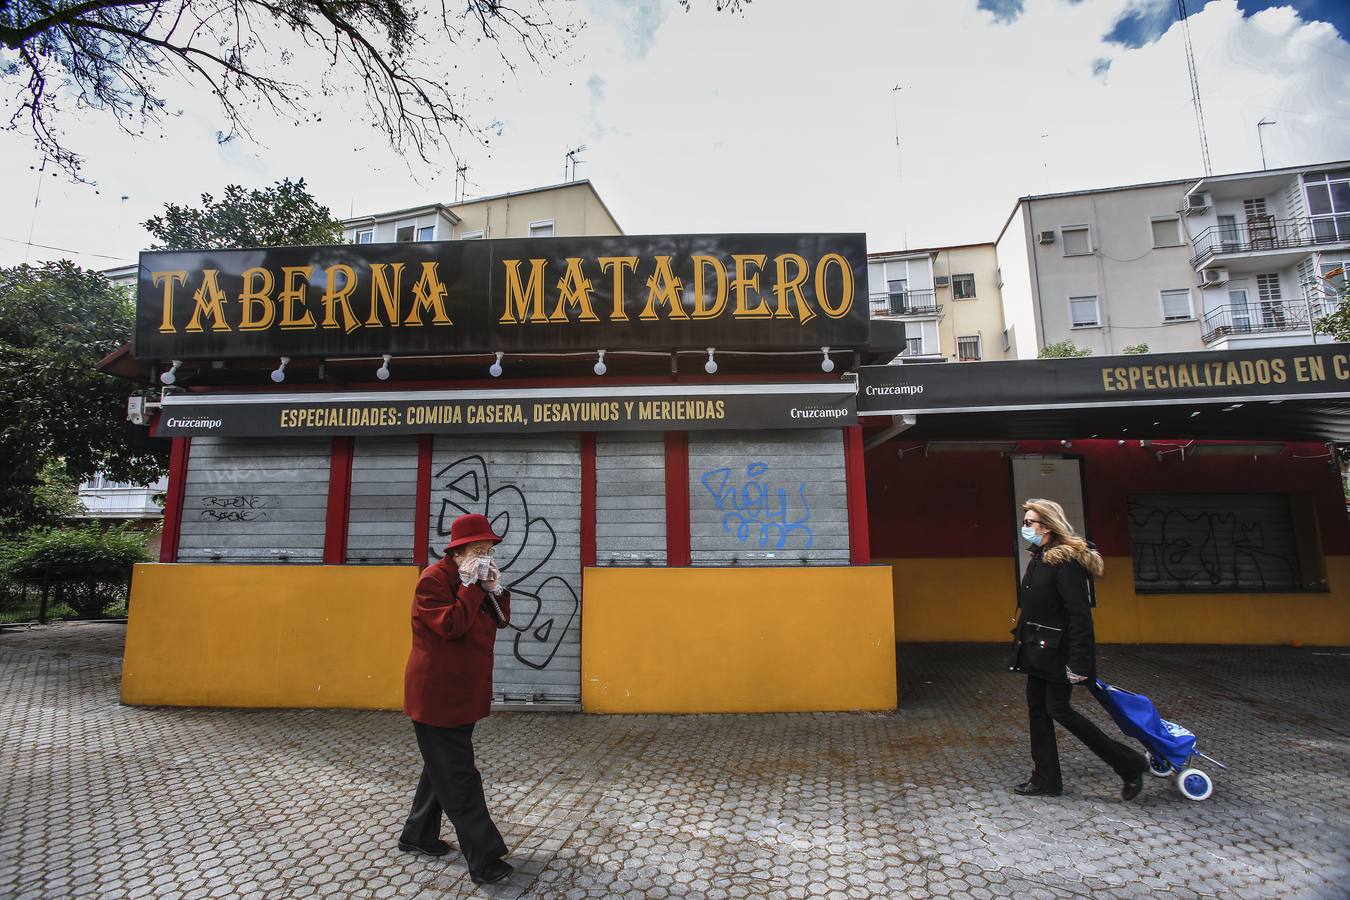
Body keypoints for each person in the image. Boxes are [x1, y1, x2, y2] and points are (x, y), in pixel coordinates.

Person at [399, 513, 514, 885]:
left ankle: (417, 835)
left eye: (488, 549)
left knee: (442, 768)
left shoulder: (476, 581)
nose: (484, 555)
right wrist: (469, 588)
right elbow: (450, 626)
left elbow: (500, 621)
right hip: (437, 697)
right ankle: (485, 858)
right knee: (459, 777)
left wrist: (495, 590)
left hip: (463, 693)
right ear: (458, 550)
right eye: (478, 549)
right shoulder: (434, 579)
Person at [1013, 499, 1147, 801]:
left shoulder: (1065, 563)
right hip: (1038, 650)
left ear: (1046, 526)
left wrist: (1080, 662)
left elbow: (1079, 616)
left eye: (1029, 522)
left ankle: (1129, 764)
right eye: (1025, 522)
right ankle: (1046, 779)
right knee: (1038, 711)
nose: (1025, 527)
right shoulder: (1040, 556)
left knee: (1059, 710)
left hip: (1059, 654)